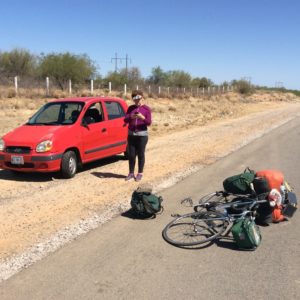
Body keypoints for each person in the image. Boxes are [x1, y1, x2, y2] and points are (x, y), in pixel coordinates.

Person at [124, 90, 152, 181]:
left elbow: (149, 122)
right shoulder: (130, 108)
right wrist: (131, 117)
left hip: (142, 136)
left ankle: (140, 173)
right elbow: (125, 120)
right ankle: (131, 173)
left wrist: (142, 117)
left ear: (142, 98)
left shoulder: (146, 109)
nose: (137, 101)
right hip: (131, 134)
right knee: (131, 155)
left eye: (139, 98)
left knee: (140, 154)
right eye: (135, 99)